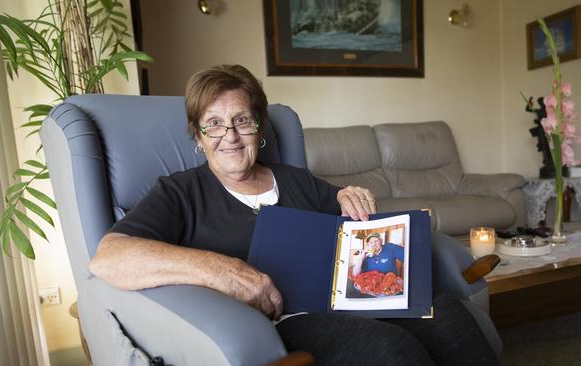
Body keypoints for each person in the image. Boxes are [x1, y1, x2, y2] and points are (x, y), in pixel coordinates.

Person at [89, 64, 499, 365]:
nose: (229, 136)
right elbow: (109, 257)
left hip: (352, 300)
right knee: (388, 349)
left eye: (241, 121)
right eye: (213, 124)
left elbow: (345, 213)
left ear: (259, 127)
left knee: (447, 313)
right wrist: (222, 271)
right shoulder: (180, 192)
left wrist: (351, 197)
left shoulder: (295, 178)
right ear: (198, 136)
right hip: (282, 322)